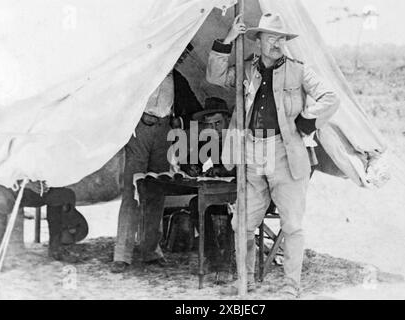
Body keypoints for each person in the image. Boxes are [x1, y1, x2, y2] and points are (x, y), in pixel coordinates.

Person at [206, 13, 340, 298]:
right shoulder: (246, 68)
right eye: (271, 38)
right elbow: (214, 76)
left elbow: (330, 97)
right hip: (251, 151)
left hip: (285, 153)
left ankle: (292, 285)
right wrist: (227, 41)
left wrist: (306, 122)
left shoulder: (299, 70)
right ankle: (248, 281)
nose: (277, 43)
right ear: (259, 41)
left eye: (281, 38)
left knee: (292, 224)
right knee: (242, 224)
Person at [111, 44, 203, 273]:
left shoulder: (178, 79)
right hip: (140, 130)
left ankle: (151, 250)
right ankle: (122, 254)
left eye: (180, 55)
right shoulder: (142, 73)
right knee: (132, 191)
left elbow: (194, 110)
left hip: (164, 134)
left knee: (157, 191)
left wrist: (179, 124)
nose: (176, 58)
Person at [181, 97, 235, 284]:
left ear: (228, 120)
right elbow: (188, 159)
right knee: (196, 204)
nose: (215, 129)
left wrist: (221, 170)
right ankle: (213, 257)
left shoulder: (239, 138)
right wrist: (190, 167)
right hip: (220, 195)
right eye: (210, 125)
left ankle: (227, 263)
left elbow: (249, 167)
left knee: (235, 210)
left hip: (247, 196)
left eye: (218, 123)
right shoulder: (209, 140)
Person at [0, 181, 86, 262]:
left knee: (60, 196)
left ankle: (55, 249)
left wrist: (37, 183)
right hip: (8, 188)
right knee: (1, 204)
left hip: (23, 188)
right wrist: (25, 184)